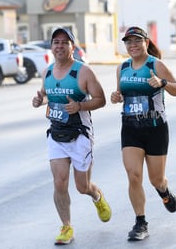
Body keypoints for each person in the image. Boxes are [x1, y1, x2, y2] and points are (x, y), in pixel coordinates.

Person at [31, 27, 111, 245]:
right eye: (56, 42)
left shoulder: (83, 71)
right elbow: (48, 97)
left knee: (82, 186)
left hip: (80, 135)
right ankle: (66, 226)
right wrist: (40, 101)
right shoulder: (47, 72)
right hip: (56, 135)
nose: (59, 46)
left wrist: (80, 106)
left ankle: (97, 196)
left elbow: (101, 99)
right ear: (51, 46)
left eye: (64, 42)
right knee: (59, 182)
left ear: (72, 47)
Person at [110, 26, 176, 241]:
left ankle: (164, 191)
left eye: (136, 41)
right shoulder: (122, 67)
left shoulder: (156, 65)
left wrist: (162, 83)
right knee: (133, 175)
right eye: (128, 42)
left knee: (156, 179)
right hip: (130, 127)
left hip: (155, 128)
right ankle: (140, 222)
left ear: (146, 42)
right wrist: (116, 97)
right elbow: (121, 94)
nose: (132, 45)